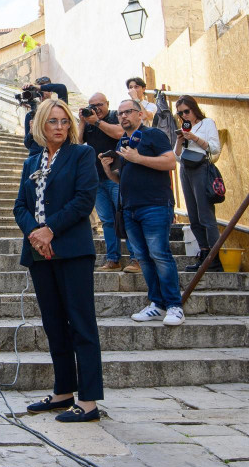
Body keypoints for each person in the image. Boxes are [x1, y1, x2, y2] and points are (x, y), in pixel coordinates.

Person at [14, 99, 102, 423]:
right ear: (40, 125)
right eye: (53, 121)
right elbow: (19, 207)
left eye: (65, 121)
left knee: (81, 323)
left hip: (73, 250)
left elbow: (84, 199)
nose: (60, 127)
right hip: (40, 253)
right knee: (53, 324)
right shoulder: (30, 162)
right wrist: (36, 233)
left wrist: (51, 230)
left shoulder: (82, 155)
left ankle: (89, 401)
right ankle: (64, 391)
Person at [99, 100, 184, 326]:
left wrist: (138, 158)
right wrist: (109, 170)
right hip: (130, 209)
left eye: (128, 112)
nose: (123, 116)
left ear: (139, 115)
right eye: (121, 113)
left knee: (159, 254)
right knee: (144, 258)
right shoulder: (123, 142)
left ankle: (174, 306)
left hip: (155, 205)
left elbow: (170, 162)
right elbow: (123, 178)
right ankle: (156, 304)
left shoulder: (153, 134)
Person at [78, 93, 140, 273]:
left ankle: (136, 259)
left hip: (116, 177)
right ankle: (113, 259)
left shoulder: (115, 116)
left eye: (99, 104)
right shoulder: (89, 122)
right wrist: (83, 121)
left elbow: (119, 133)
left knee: (125, 216)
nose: (96, 108)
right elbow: (79, 140)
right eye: (92, 105)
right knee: (107, 221)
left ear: (107, 103)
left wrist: (97, 121)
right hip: (96, 178)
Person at [173, 95, 222, 272]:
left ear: (194, 109)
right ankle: (203, 252)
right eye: (180, 113)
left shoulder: (207, 123)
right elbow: (176, 156)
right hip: (186, 169)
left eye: (187, 111)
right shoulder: (183, 128)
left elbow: (215, 148)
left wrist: (194, 138)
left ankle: (214, 259)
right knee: (193, 216)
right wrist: (180, 141)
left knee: (205, 215)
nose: (184, 115)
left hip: (201, 168)